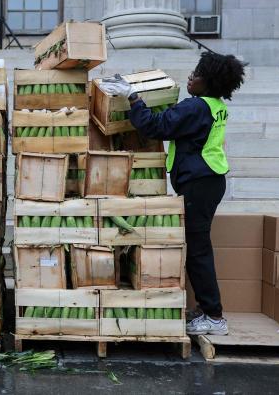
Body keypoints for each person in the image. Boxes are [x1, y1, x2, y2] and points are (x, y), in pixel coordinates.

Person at [99, 51, 247, 336]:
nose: (191, 77)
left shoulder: (196, 108)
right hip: (207, 182)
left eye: (197, 75)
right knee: (197, 247)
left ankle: (214, 317)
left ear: (209, 82)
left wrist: (132, 96)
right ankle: (207, 311)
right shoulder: (212, 106)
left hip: (201, 184)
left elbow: (157, 127)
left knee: (198, 250)